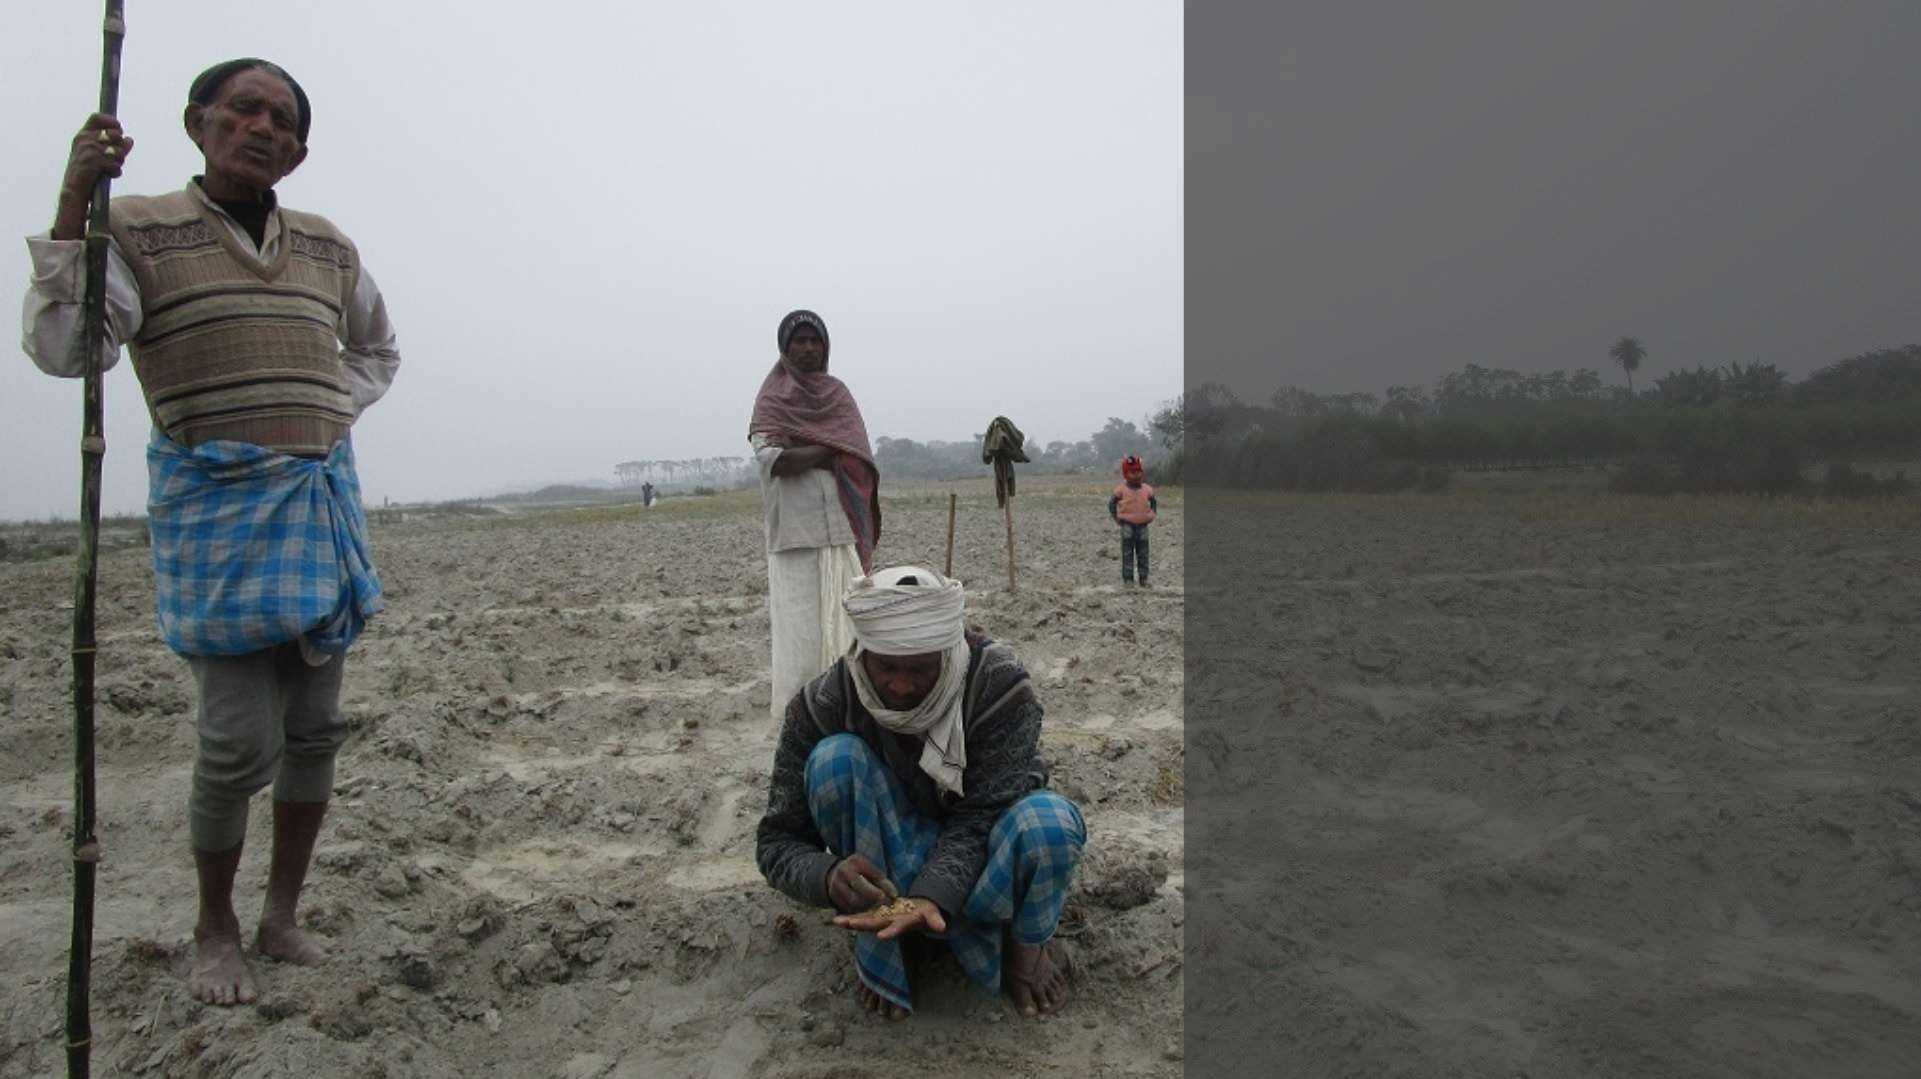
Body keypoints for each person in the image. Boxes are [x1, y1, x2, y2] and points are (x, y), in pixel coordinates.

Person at [20, 58, 400, 1007]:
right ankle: (215, 924)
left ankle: (281, 915)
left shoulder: (327, 247)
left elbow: (376, 348)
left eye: (280, 118)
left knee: (315, 729)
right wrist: (77, 199)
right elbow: (73, 347)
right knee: (235, 740)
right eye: (243, 109)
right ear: (198, 123)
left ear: (300, 150)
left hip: (315, 509)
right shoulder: (139, 228)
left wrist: (317, 415)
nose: (261, 126)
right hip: (216, 518)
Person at [754, 566, 1085, 1019]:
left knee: (1050, 823)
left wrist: (933, 894)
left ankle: (1023, 947)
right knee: (835, 760)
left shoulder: (997, 686)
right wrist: (828, 875)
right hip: (889, 864)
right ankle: (890, 944)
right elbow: (776, 841)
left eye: (921, 669)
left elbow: (984, 814)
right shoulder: (824, 703)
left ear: (949, 653)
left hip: (984, 860)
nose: (902, 685)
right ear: (862, 652)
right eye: (886, 666)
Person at [747, 310, 882, 717]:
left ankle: (851, 707)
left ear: (825, 347)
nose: (807, 348)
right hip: (794, 533)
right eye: (798, 341)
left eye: (815, 340)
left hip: (839, 528)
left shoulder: (837, 395)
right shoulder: (772, 398)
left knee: (848, 622)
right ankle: (800, 716)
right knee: (800, 634)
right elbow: (775, 461)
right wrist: (830, 450)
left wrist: (803, 447)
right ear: (784, 348)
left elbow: (858, 457)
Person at [1108, 455, 1158, 587]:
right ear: (1125, 474)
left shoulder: (1148, 489)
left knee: (1143, 554)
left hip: (1143, 526)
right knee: (1127, 553)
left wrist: (1152, 514)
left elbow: (1153, 502)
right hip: (1127, 526)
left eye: (1138, 471)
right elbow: (1111, 504)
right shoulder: (1120, 490)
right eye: (1132, 472)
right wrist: (1116, 518)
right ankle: (1128, 580)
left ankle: (1144, 579)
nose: (1136, 475)